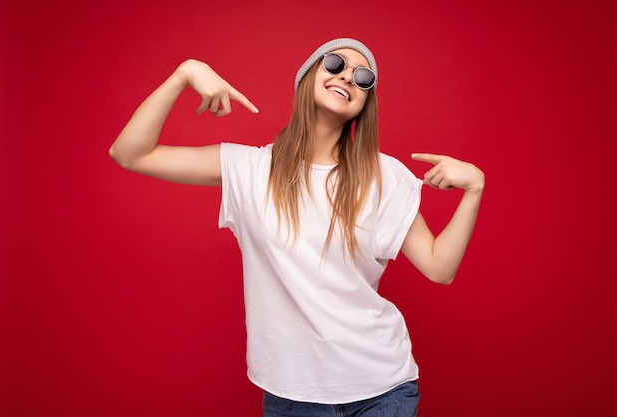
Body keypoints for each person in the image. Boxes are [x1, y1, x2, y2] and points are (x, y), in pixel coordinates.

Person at [109, 38, 485, 417]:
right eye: (335, 63)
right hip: (292, 394)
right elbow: (130, 153)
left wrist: (474, 189)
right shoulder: (250, 170)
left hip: (382, 388)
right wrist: (184, 73)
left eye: (363, 77)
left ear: (364, 105)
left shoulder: (383, 176)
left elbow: (440, 267)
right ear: (307, 78)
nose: (349, 78)